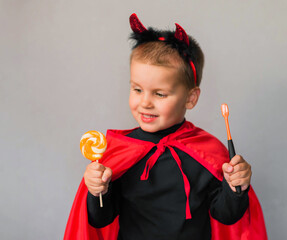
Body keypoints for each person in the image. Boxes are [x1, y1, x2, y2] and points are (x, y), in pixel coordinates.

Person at [64, 13, 267, 240]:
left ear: (190, 98)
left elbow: (226, 217)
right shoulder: (116, 151)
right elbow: (102, 219)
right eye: (137, 89)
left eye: (159, 94)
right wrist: (97, 191)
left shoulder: (207, 152)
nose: (145, 102)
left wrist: (235, 188)